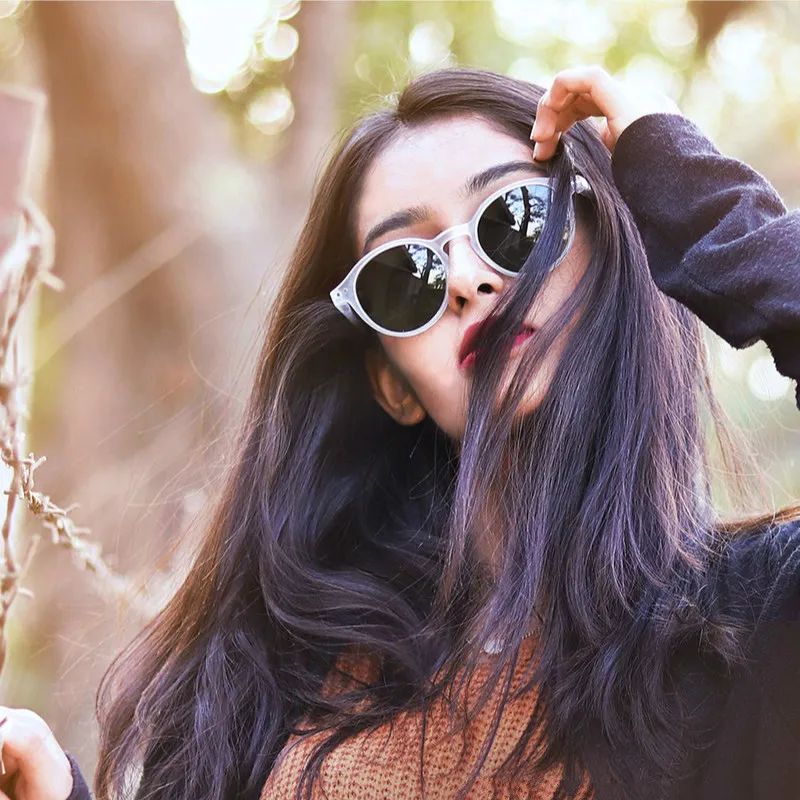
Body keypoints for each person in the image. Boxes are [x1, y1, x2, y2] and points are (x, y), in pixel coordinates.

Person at [1, 63, 798, 800]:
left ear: (611, 248)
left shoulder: (756, 622)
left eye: (516, 221)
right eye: (403, 273)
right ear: (392, 384)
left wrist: (688, 187)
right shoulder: (281, 665)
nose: (465, 279)